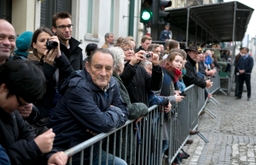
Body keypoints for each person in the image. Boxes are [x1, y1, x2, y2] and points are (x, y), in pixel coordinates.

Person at [48, 48, 128, 165]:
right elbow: (103, 123)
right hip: (66, 154)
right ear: (88, 67)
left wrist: (108, 117)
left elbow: (124, 112)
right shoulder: (78, 88)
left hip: (90, 151)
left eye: (108, 68)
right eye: (98, 67)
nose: (103, 73)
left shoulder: (112, 83)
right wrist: (113, 113)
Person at [0, 60, 67, 165]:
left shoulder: (11, 112)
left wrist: (50, 155)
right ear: (4, 88)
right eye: (20, 103)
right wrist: (34, 148)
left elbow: (28, 133)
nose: (21, 108)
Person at [25, 27, 74, 133]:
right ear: (34, 45)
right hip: (38, 119)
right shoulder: (27, 65)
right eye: (42, 41)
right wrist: (47, 66)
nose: (46, 44)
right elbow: (36, 88)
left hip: (54, 115)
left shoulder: (54, 61)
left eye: (49, 41)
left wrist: (60, 55)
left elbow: (72, 76)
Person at [0, 19, 33, 119]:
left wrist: (28, 108)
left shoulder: (17, 70)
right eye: (1, 37)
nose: (7, 43)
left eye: (11, 39)